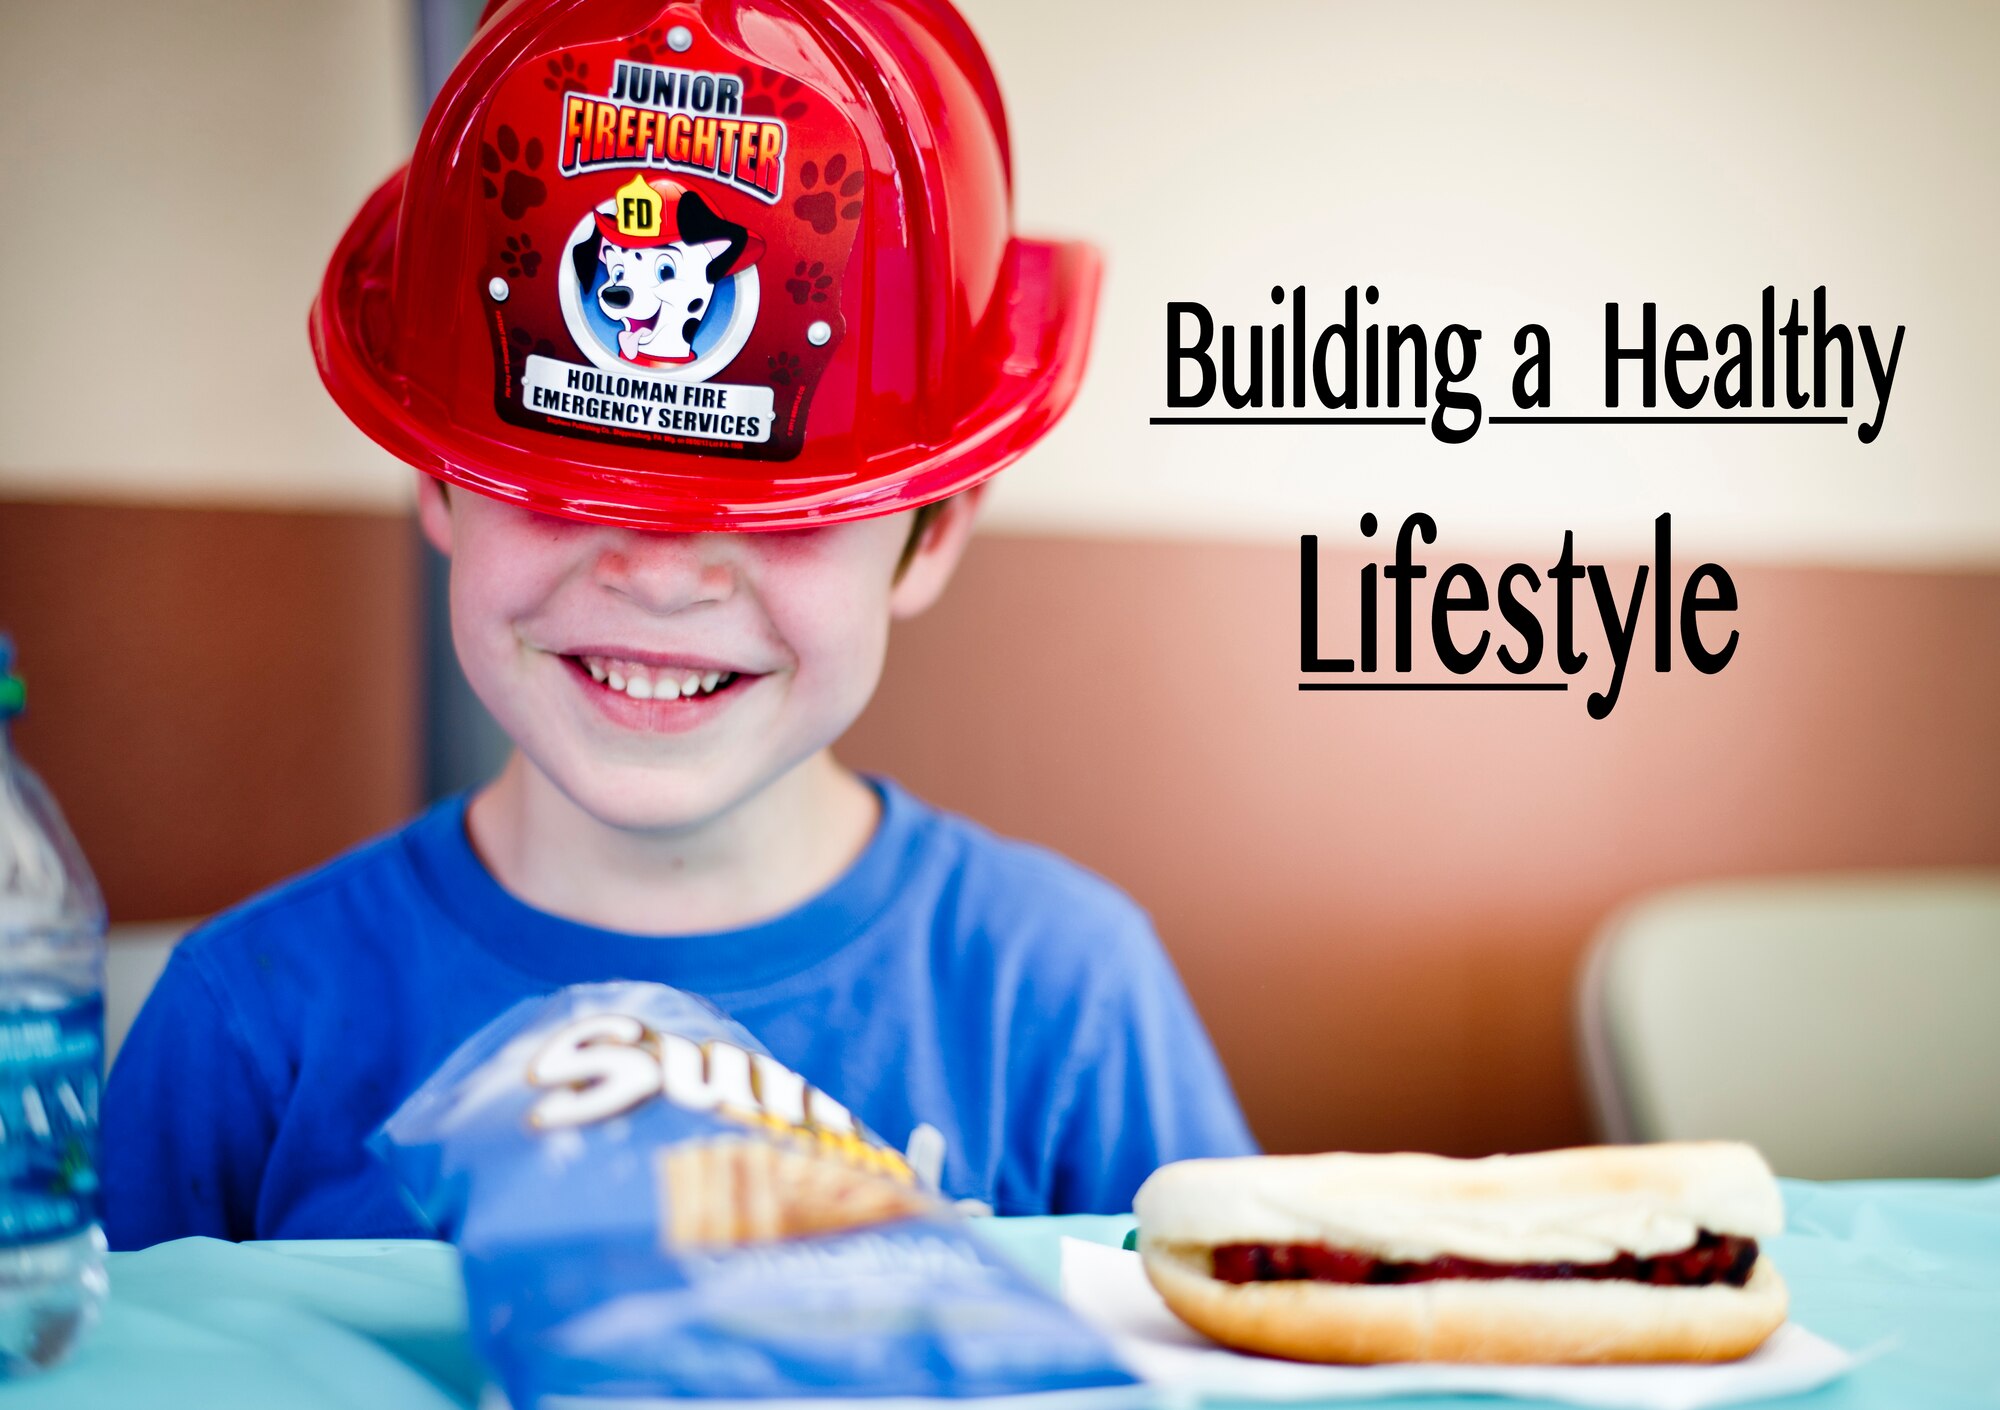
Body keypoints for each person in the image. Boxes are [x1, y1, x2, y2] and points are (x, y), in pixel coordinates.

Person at [102, 0, 1255, 1248]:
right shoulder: (241, 1031)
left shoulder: (1062, 998)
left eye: (782, 507)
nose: (658, 578)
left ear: (936, 531)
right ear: (434, 476)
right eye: (561, 480)